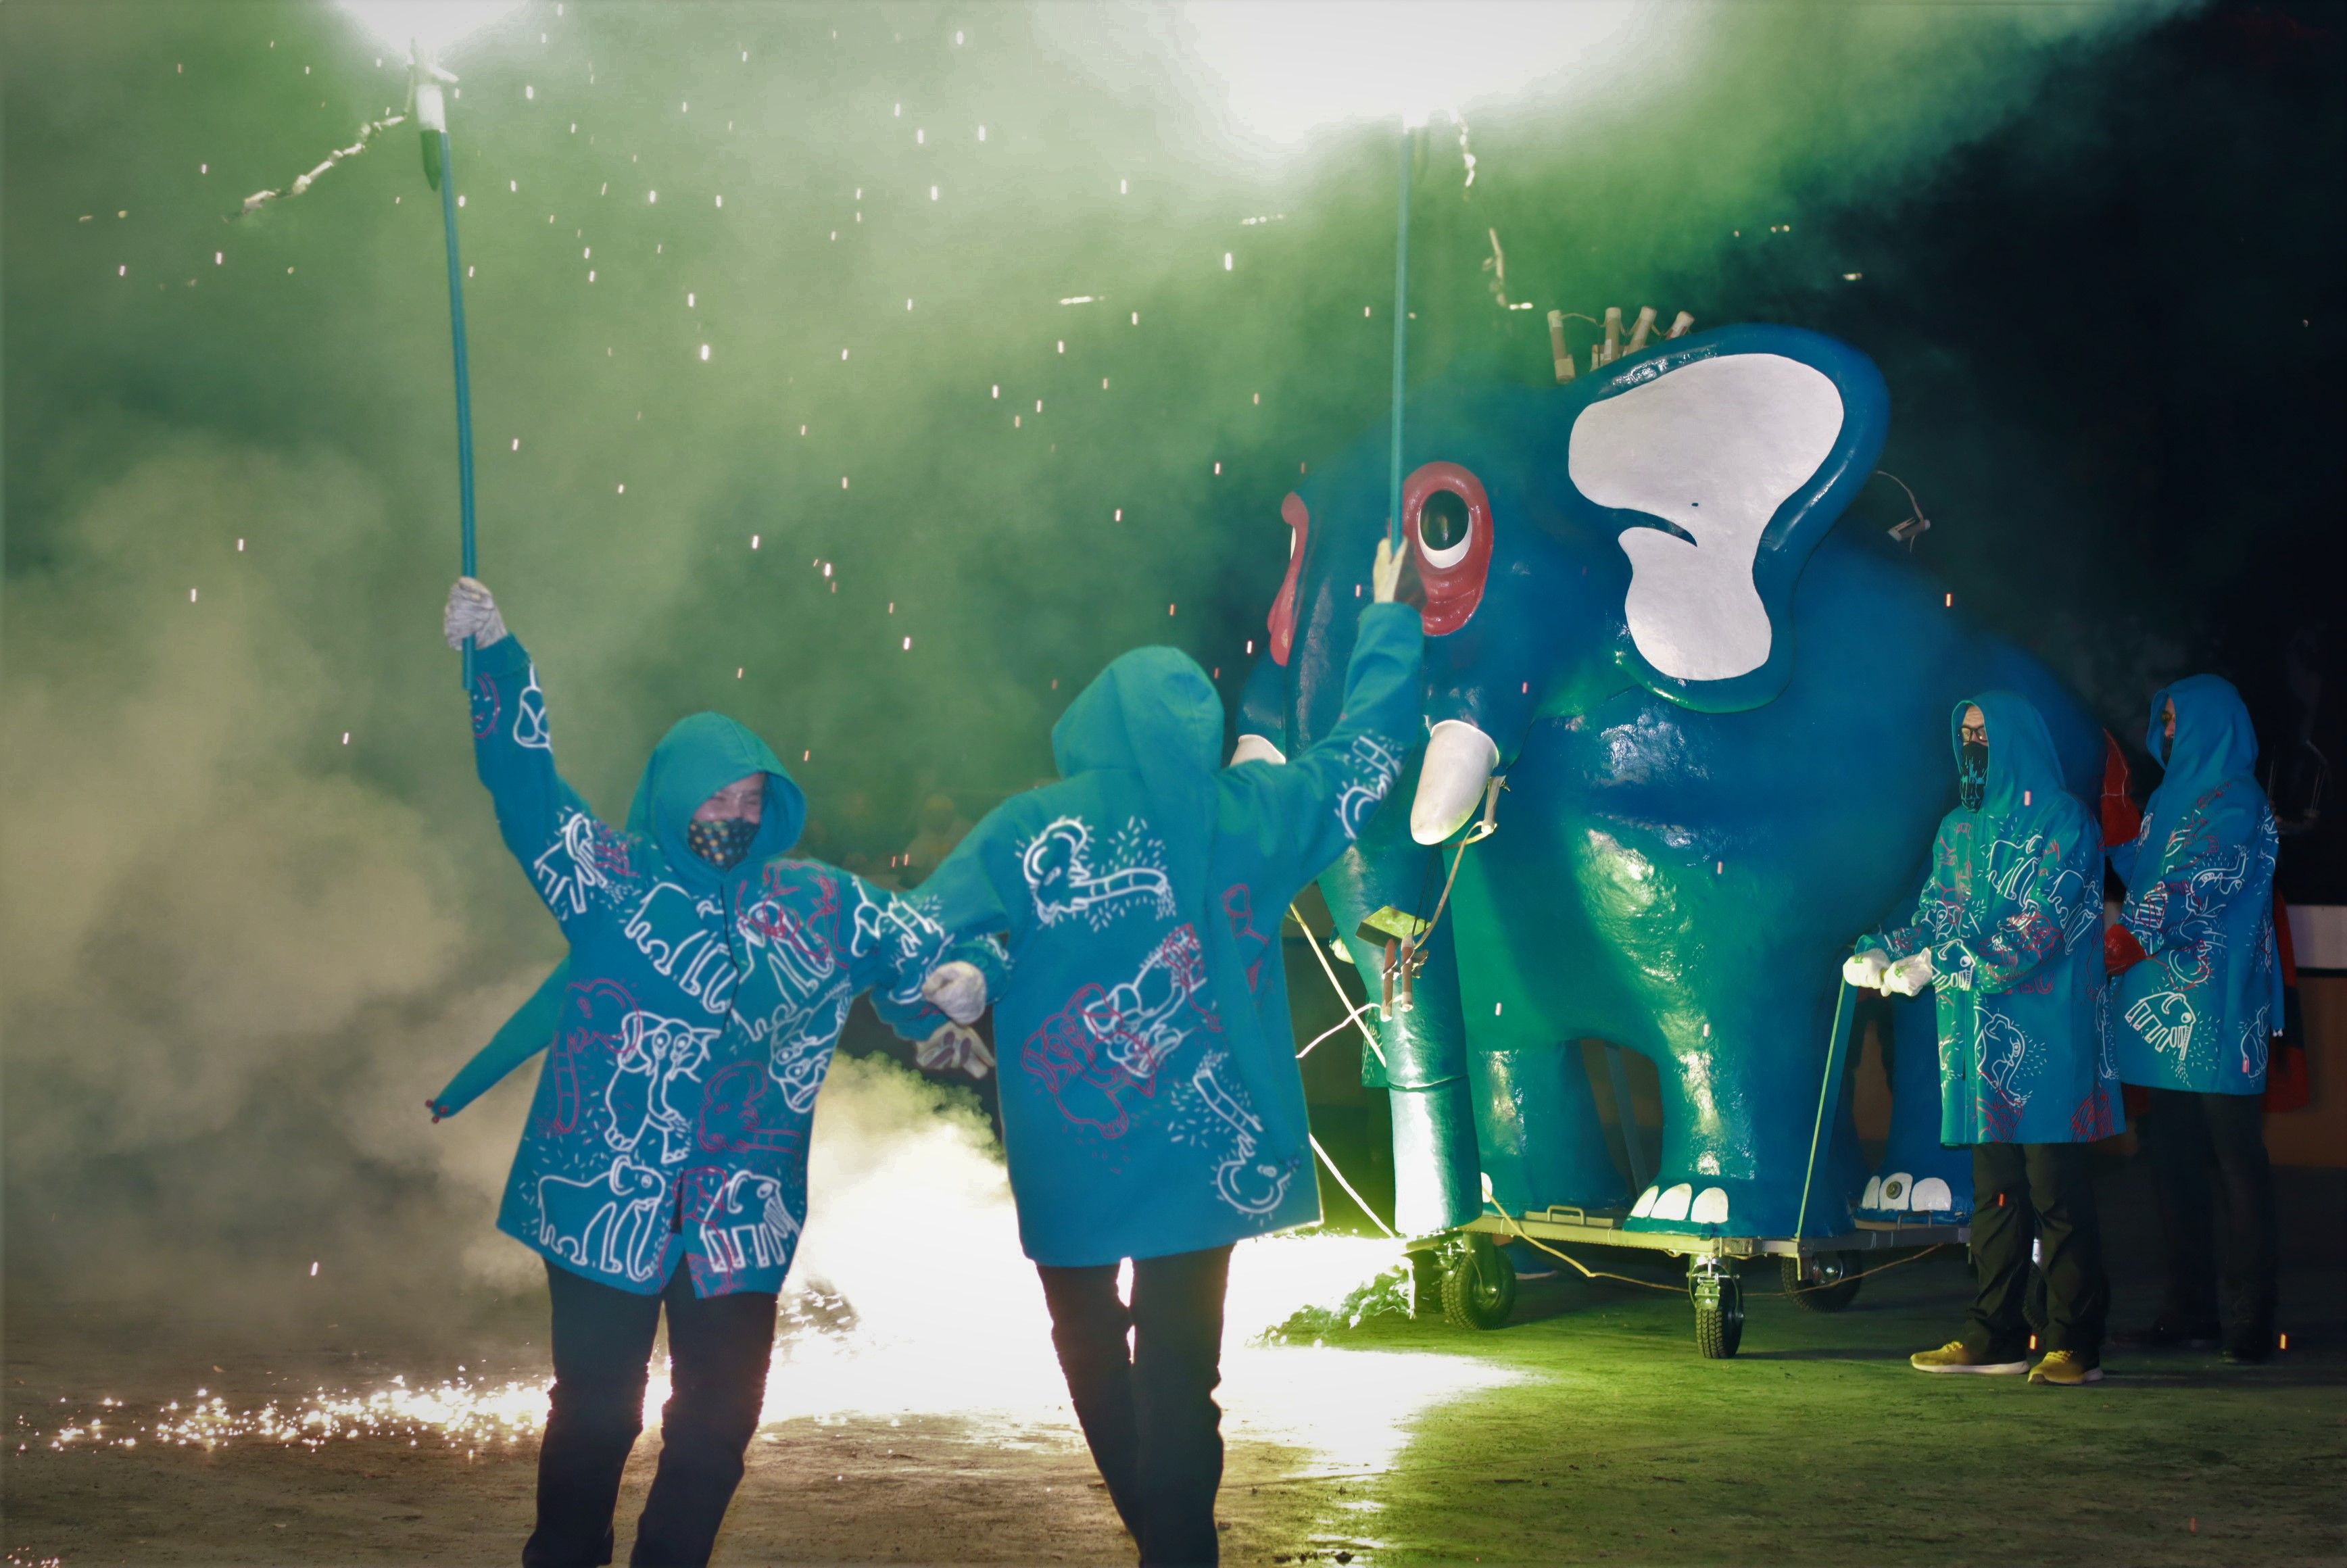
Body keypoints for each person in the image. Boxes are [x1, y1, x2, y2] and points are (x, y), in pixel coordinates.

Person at [440, 578, 984, 1568]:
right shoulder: (608, 879)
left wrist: (959, 979)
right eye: (715, 796)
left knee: (721, 1422)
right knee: (600, 1415)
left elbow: (923, 948)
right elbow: (525, 791)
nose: (732, 814)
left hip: (742, 1211)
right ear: (671, 797)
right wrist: (497, 658)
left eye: (750, 798)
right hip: (601, 1197)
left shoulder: (820, 903)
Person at [911, 539, 1421, 1565]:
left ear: (1093, 719)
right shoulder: (1252, 812)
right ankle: (1177, 1544)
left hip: (1075, 1146)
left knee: (1090, 1339)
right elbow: (1368, 755)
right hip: (1211, 1146)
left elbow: (920, 931)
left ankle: (1172, 1543)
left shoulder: (1031, 825)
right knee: (1183, 1366)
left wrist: (956, 982)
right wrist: (1385, 620)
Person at [1845, 693, 2122, 1386]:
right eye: (1963, 733)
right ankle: (1992, 1333)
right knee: (1993, 1191)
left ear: (2016, 740)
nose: (1972, 746)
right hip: (1979, 1047)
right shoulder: (1956, 831)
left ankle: (2074, 1341)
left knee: (2055, 1189)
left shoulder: (2064, 821)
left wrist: (1941, 963)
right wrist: (1882, 949)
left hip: (2051, 1038)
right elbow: (1935, 914)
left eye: (1984, 734)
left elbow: (2039, 928)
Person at [2104, 677, 2283, 1363]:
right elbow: (2152, 874)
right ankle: (2188, 1310)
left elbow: (2199, 879)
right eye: (2164, 720)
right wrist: (2116, 835)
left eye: (2179, 720)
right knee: (2171, 1162)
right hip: (2159, 1013)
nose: (2169, 732)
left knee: (2237, 1162)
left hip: (2218, 1009)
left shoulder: (2236, 800)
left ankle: (2250, 1318)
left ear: (2215, 724)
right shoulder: (2165, 804)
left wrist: (2131, 936)